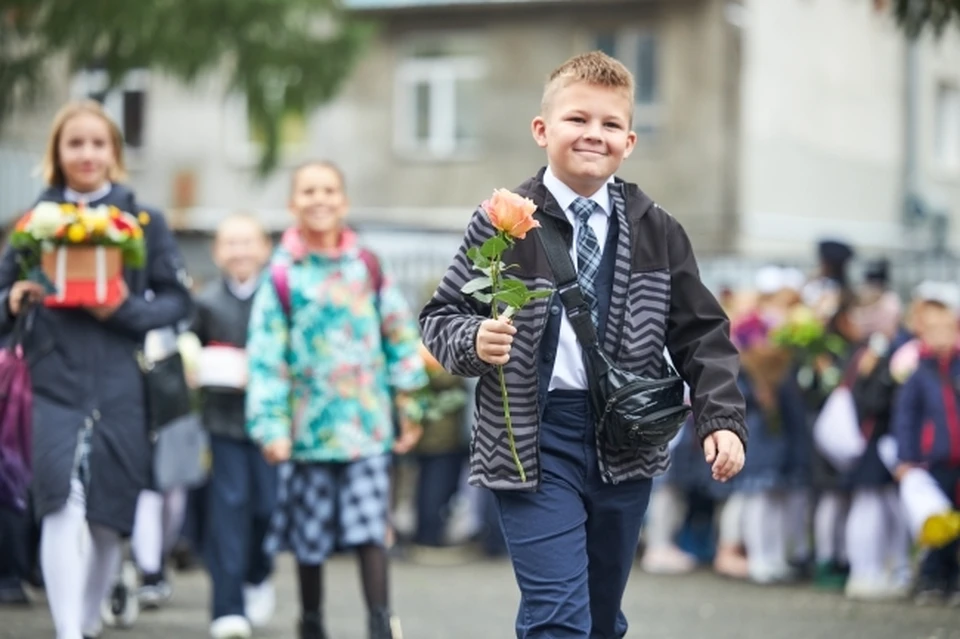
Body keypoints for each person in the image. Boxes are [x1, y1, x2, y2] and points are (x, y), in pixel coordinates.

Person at [419, 51, 747, 639]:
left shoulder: (658, 228)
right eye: (577, 119)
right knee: (558, 620)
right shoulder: (502, 222)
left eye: (610, 124)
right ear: (542, 131)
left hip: (627, 441)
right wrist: (475, 338)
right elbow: (441, 317)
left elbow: (702, 333)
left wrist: (720, 418)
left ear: (629, 141)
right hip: (532, 440)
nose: (594, 134)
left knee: (597, 619)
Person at [0, 99, 192, 639]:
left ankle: (85, 621)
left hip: (121, 382)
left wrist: (122, 310)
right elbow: (1, 297)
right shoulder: (32, 223)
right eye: (74, 143)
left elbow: (178, 301)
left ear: (114, 152)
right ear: (56, 154)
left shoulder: (142, 220)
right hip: (50, 380)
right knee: (61, 502)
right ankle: (68, 632)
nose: (86, 154)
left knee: (109, 514)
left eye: (97, 143)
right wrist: (14, 301)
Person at [245, 161, 427, 639]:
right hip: (307, 434)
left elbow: (399, 335)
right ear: (293, 204)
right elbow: (266, 358)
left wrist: (409, 404)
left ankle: (380, 624)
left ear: (344, 202)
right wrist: (270, 426)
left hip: (367, 427)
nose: (320, 199)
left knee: (372, 531)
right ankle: (311, 622)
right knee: (310, 540)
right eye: (308, 191)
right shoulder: (283, 275)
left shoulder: (366, 265)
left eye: (329, 190)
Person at [192, 214, 278, 638]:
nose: (240, 251)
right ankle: (227, 606)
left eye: (248, 242)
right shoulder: (205, 301)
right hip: (224, 420)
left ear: (264, 248)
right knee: (228, 507)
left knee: (266, 507)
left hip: (272, 423)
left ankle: (258, 573)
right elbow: (189, 351)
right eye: (231, 243)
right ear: (217, 252)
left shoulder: (280, 295)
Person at [891, 282, 960, 606]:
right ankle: (934, 578)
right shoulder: (919, 372)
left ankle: (954, 578)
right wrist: (907, 457)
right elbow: (906, 417)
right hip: (937, 459)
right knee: (938, 522)